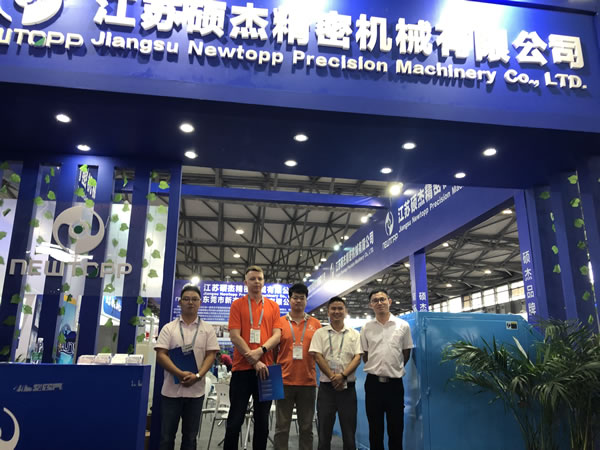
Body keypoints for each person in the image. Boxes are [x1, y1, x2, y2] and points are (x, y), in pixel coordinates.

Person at [154, 284, 219, 450]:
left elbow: (211, 355)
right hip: (171, 392)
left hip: (196, 392)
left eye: (195, 299)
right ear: (180, 302)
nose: (191, 302)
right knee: (166, 437)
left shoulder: (208, 329)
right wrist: (179, 373)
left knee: (190, 438)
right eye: (187, 299)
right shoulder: (169, 328)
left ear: (200, 303)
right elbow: (161, 354)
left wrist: (197, 376)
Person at [224, 266, 282, 450]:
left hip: (267, 371)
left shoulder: (273, 306)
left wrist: (261, 350)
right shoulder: (237, 305)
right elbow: (235, 336)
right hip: (241, 370)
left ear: (263, 282)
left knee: (263, 422)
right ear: (245, 282)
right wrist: (255, 360)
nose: (257, 281)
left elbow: (277, 335)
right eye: (252, 279)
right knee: (235, 420)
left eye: (260, 278)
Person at [360, 289, 414, 450]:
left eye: (382, 299)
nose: (379, 303)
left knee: (396, 429)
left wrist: (393, 368)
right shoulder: (366, 327)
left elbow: (406, 352)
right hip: (373, 385)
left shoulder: (403, 325)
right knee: (375, 430)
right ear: (371, 305)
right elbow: (365, 354)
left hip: (394, 385)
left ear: (389, 301)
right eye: (375, 300)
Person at [309, 297, 362, 450]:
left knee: (349, 435)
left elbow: (357, 357)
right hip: (327, 389)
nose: (337, 311)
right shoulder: (320, 333)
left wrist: (343, 376)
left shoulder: (354, 334)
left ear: (345, 311)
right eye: (333, 308)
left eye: (340, 308)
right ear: (328, 312)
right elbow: (317, 356)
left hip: (348, 389)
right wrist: (333, 377)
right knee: (324, 435)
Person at [274, 283, 322, 450]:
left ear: (306, 300)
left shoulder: (316, 324)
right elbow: (273, 352)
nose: (298, 301)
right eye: (295, 297)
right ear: (289, 300)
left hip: (308, 382)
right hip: (284, 382)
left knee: (306, 428)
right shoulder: (279, 322)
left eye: (302, 298)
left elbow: (320, 352)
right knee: (281, 428)